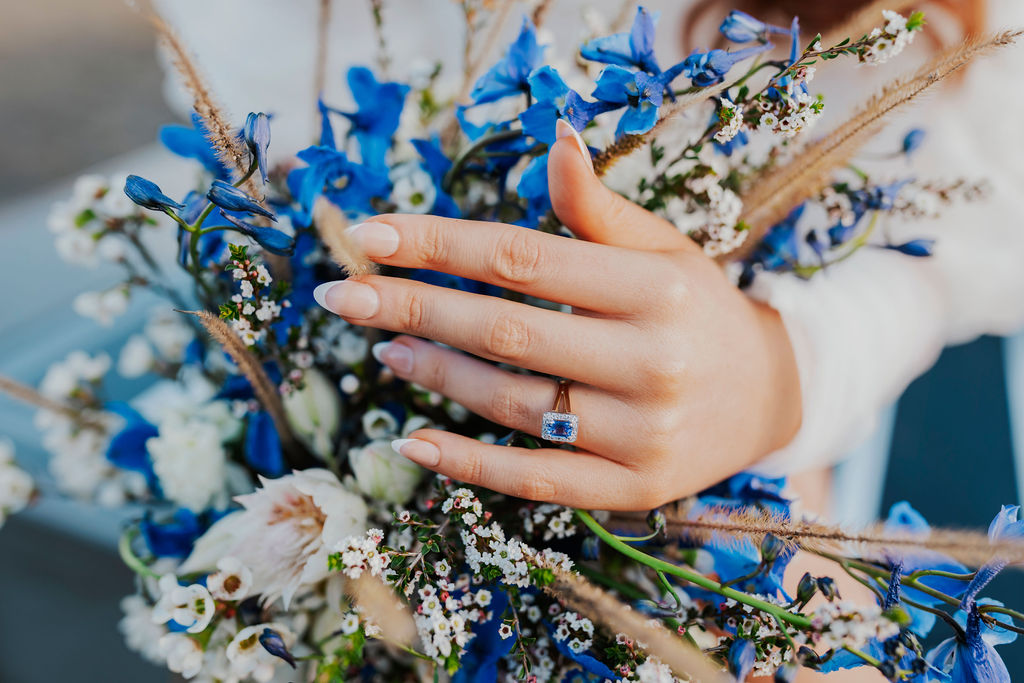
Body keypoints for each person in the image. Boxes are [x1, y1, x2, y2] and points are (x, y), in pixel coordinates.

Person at [154, 0, 1024, 512]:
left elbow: (949, 235)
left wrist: (769, 372)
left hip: (737, 443)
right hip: (340, 405)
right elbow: (264, 162)